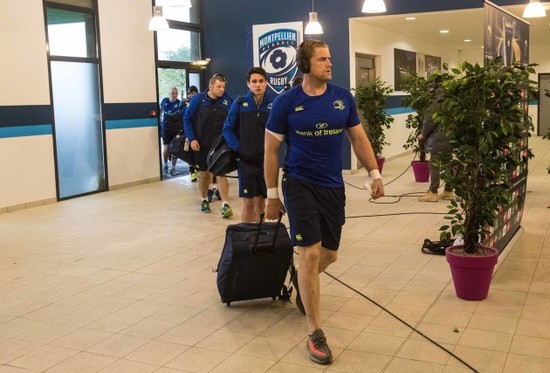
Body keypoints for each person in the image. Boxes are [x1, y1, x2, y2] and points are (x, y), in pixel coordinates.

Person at [264, 39, 384, 365]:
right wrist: (272, 195)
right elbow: (271, 150)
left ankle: (302, 275)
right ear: (305, 66)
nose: (329, 64)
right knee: (311, 250)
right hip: (299, 183)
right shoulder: (286, 103)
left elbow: (358, 138)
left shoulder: (343, 98)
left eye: (330, 58)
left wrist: (374, 172)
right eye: (322, 60)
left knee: (329, 254)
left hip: (333, 186)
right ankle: (315, 332)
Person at [223, 67, 272, 223]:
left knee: (262, 202)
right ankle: (247, 238)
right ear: (248, 84)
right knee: (249, 202)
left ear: (266, 83)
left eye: (261, 81)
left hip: (266, 163)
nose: (257, 85)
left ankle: (261, 237)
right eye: (254, 82)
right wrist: (239, 148)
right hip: (246, 162)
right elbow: (227, 128)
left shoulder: (274, 104)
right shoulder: (239, 103)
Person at [184, 73, 234, 217]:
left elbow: (233, 121)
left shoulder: (227, 101)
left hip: (220, 145)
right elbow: (187, 119)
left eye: (223, 87)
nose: (221, 89)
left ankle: (225, 205)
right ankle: (204, 199)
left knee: (221, 174)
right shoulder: (198, 100)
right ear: (210, 86)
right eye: (218, 86)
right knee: (204, 174)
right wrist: (192, 139)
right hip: (201, 144)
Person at [417, 89, 453, 202]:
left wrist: (423, 135)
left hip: (437, 140)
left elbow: (429, 122)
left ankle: (433, 192)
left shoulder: (436, 102)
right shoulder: (452, 102)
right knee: (448, 164)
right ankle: (448, 191)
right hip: (451, 138)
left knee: (434, 165)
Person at [160, 87, 183, 176]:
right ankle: (165, 165)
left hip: (175, 128)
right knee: (166, 147)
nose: (174, 95)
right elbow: (160, 111)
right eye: (172, 93)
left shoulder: (179, 103)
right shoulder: (164, 101)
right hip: (166, 128)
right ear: (169, 93)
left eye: (176, 93)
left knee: (175, 148)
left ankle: (173, 168)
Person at [185, 85, 200, 182]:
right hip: (188, 132)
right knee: (189, 152)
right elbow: (184, 118)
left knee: (197, 153)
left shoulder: (199, 103)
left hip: (198, 132)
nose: (193, 95)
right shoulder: (184, 104)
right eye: (191, 93)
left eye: (195, 93)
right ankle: (192, 171)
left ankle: (198, 169)